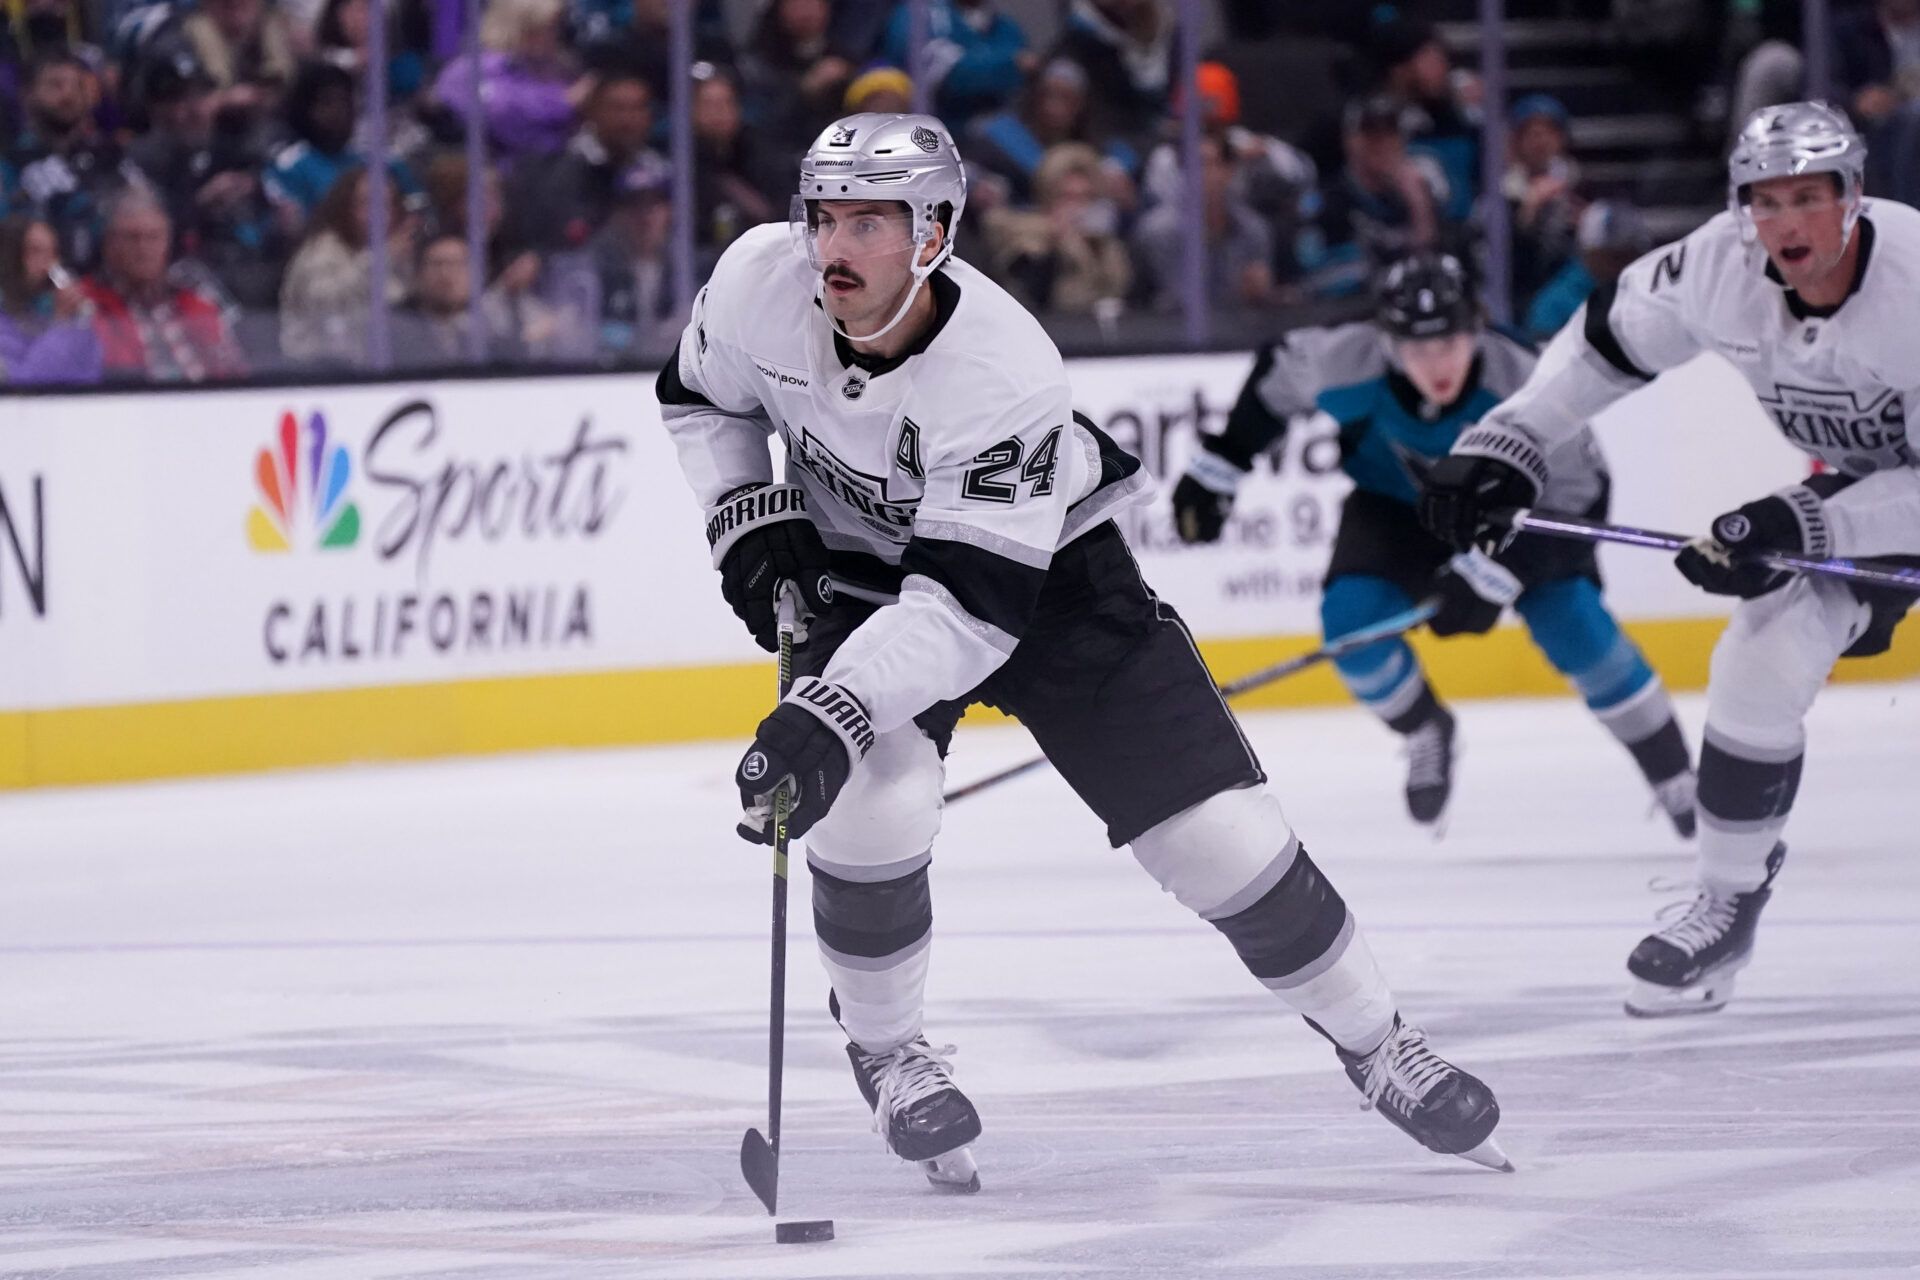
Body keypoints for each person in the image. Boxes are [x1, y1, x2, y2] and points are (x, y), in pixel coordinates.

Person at [657, 111, 1510, 1190]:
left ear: (933, 233)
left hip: (1043, 577)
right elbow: (700, 400)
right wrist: (747, 517)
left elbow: (968, 611)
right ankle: (888, 1050)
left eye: (869, 221)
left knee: (1218, 837)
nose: (834, 246)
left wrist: (828, 711)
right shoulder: (756, 282)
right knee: (876, 802)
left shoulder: (1003, 367)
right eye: (823, 216)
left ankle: (1378, 1040)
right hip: (852, 574)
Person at [1419, 103, 1920, 1017]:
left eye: (1809, 197)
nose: (1787, 222)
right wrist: (1507, 443)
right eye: (1766, 201)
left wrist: (1797, 523)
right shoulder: (1719, 266)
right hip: (1872, 490)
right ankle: (1727, 906)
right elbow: (1603, 343)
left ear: (1853, 196)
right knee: (1761, 652)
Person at [1173, 250, 1695, 834]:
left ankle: (1672, 770)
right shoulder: (1345, 360)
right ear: (1388, 343)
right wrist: (1221, 466)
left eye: (1448, 342)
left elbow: (1584, 492)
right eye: (1417, 348)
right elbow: (1277, 373)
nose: (1437, 364)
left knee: (1576, 627)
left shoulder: (1524, 376)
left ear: (1476, 329)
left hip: (1513, 523)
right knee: (1351, 626)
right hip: (1395, 509)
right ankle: (1424, 727)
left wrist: (1499, 570)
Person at [79, 190, 245, 381]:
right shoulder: (85, 306)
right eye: (132, 238)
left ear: (168, 243)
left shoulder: (200, 304)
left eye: (154, 237)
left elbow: (236, 378)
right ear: (109, 245)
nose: (143, 249)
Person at [0, 212, 101, 384]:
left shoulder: (43, 315)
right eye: (35, 251)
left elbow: (91, 373)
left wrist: (80, 322)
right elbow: (22, 383)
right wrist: (61, 323)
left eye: (52, 253)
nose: (49, 263)